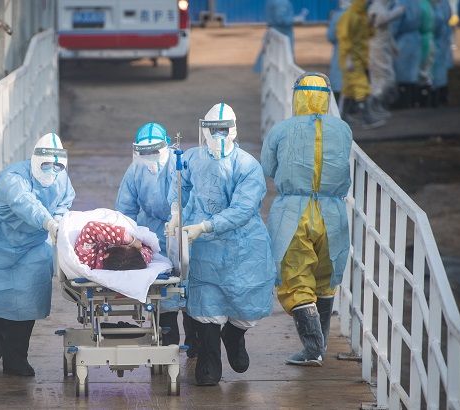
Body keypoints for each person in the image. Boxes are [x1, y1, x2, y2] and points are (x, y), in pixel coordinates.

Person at [167, 103, 276, 386]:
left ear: (234, 130)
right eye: (212, 129)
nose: (218, 136)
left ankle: (234, 335)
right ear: (203, 129)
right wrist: (176, 212)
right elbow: (179, 185)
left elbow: (243, 209)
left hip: (242, 246)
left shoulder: (248, 166)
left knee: (245, 300)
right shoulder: (191, 158)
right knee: (205, 299)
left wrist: (205, 226)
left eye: (223, 130)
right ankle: (209, 359)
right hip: (203, 247)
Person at [261, 73, 352, 366]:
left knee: (295, 277)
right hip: (332, 213)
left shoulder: (281, 130)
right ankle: (320, 343)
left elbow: (267, 167)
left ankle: (312, 348)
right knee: (326, 278)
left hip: (293, 212)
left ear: (297, 96)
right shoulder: (343, 129)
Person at [0, 133, 75, 376]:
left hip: (32, 245)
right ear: (35, 160)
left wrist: (58, 219)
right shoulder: (13, 178)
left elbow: (64, 201)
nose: (51, 171)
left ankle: (16, 359)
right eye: (46, 165)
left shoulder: (60, 179)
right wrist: (48, 222)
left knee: (28, 299)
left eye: (57, 166)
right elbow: (26, 203)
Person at [115, 122, 199, 356]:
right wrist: (128, 238)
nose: (150, 157)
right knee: (161, 290)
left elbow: (196, 196)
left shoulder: (181, 164)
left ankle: (195, 344)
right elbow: (125, 210)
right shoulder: (135, 171)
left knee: (190, 286)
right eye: (144, 152)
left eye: (154, 151)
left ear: (167, 146)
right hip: (152, 235)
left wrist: (181, 218)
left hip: (185, 229)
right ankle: (166, 347)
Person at [337, 0, 385, 128]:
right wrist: (348, 58)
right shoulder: (349, 16)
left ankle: (343, 116)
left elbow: (368, 35)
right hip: (351, 59)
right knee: (361, 86)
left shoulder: (363, 16)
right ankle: (367, 118)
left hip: (360, 58)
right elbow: (344, 38)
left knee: (349, 89)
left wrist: (371, 24)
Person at [367, 0, 405, 115]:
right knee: (383, 78)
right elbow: (379, 21)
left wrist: (393, 46)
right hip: (377, 49)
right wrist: (396, 13)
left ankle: (377, 106)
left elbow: (386, 31)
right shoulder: (375, 7)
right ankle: (373, 105)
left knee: (385, 78)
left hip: (383, 49)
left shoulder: (382, 7)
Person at [253, 0, 308, 72]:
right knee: (283, 58)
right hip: (283, 33)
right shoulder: (281, 2)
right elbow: (282, 20)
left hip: (274, 32)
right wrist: (297, 19)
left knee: (271, 57)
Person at [73, 220, 153, 270]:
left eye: (124, 244)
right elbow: (145, 248)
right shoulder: (138, 260)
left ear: (106, 255)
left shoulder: (88, 261)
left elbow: (90, 228)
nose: (127, 244)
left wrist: (131, 240)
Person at [393, 0, 422, 108]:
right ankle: (413, 100)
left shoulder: (400, 3)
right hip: (416, 38)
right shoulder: (416, 3)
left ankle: (403, 102)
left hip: (402, 41)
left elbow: (395, 24)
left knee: (402, 73)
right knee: (412, 72)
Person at [431, 0, 454, 106]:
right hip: (442, 39)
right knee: (440, 70)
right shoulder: (444, 3)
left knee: (436, 71)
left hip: (437, 39)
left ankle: (438, 97)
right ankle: (442, 96)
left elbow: (436, 21)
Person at [328, 0, 350, 102]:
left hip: (340, 52)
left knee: (338, 80)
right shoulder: (361, 15)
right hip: (358, 54)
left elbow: (331, 36)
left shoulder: (338, 15)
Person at [418, 0, 436, 106]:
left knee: (423, 72)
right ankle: (431, 99)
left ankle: (424, 100)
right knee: (428, 70)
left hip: (423, 41)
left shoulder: (421, 5)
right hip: (430, 39)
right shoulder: (428, 5)